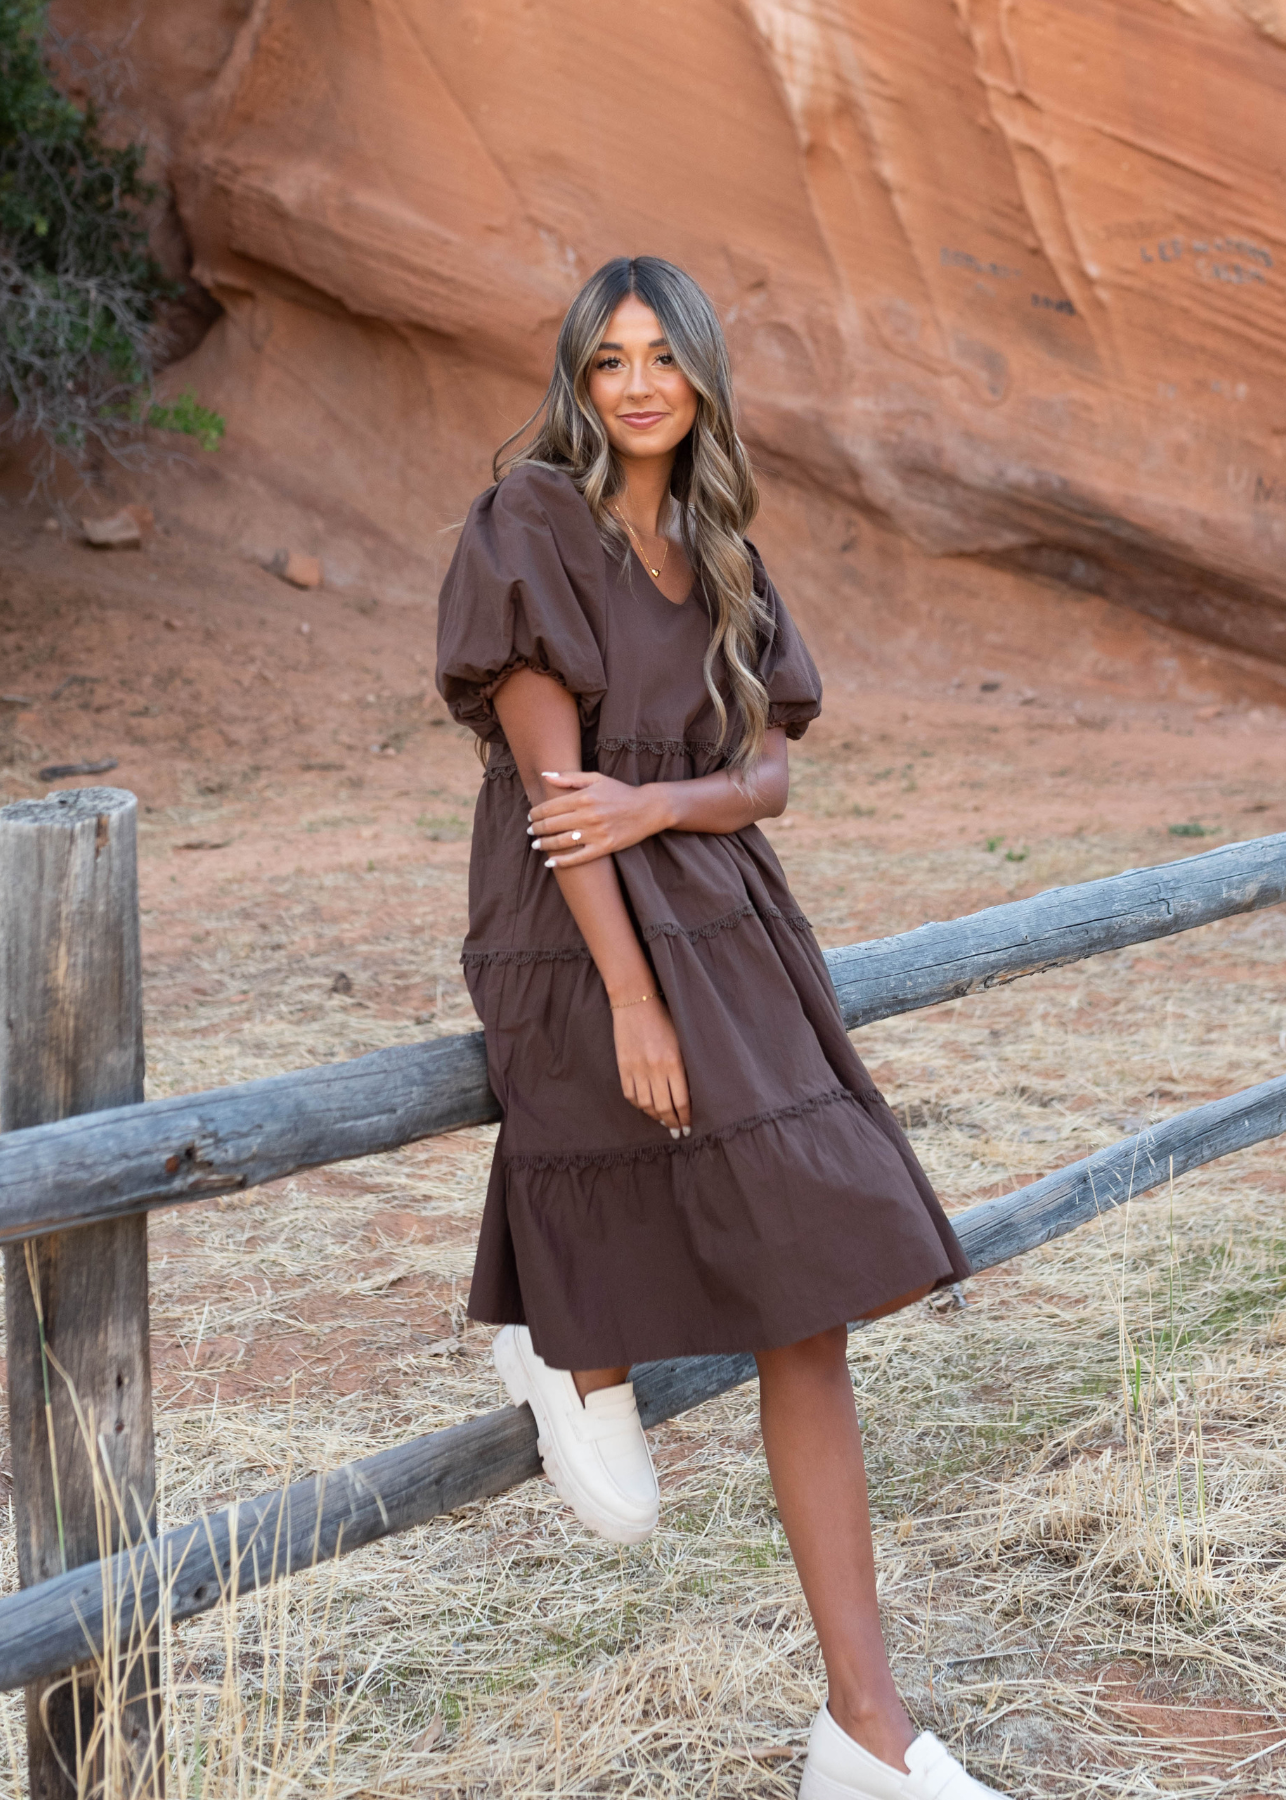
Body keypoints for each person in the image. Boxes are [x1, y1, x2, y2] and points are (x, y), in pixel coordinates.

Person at [436, 255, 1003, 1800]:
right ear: (579, 376)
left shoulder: (716, 545)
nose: (634, 384)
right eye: (607, 358)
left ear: (699, 380)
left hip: (727, 920)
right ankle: (570, 1352)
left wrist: (667, 799)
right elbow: (561, 805)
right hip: (574, 932)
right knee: (651, 1161)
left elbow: (765, 778)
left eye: (661, 358)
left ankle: (865, 1737)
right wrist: (627, 997)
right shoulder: (530, 524)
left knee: (814, 1272)